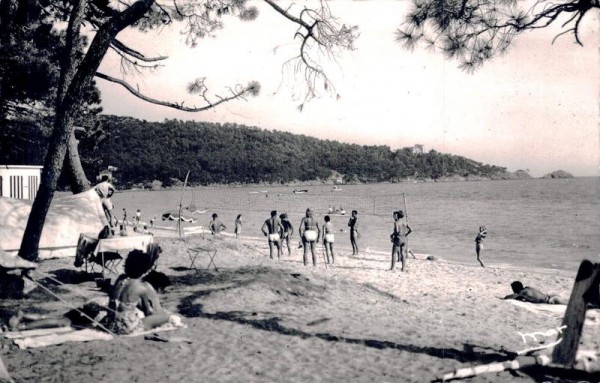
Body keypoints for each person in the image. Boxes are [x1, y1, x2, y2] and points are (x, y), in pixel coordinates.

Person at [106, 250, 172, 335]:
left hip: (111, 325)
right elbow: (148, 312)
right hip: (127, 327)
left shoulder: (120, 279)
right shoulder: (142, 287)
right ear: (144, 269)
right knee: (167, 317)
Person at [503, 281, 568, 304]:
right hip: (551, 295)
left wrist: (503, 298)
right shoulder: (527, 288)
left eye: (513, 288)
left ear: (515, 288)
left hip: (552, 300)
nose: (513, 290)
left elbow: (511, 296)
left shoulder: (522, 293)